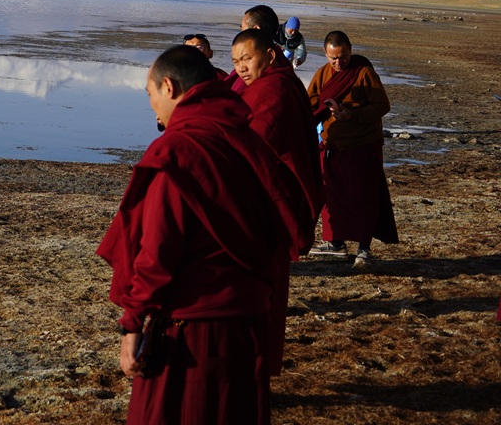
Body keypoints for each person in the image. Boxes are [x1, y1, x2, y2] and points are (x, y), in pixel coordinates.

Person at [97, 46, 294, 424]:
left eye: (150, 94)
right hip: (250, 321)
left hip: (194, 333)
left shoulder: (176, 152)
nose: (152, 106)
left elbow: (157, 251)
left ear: (168, 87)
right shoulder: (247, 141)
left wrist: (132, 323)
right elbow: (286, 214)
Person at [307, 30, 399, 267]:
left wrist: (352, 114)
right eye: (333, 58)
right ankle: (335, 243)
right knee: (333, 196)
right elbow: (310, 103)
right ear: (325, 54)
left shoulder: (363, 72)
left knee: (364, 197)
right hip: (333, 144)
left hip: (362, 143)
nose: (339, 63)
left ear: (350, 50)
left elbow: (382, 105)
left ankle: (364, 249)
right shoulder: (323, 73)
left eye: (343, 57)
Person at [231, 28, 323, 249]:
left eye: (247, 59)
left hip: (273, 188)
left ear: (270, 56)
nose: (241, 68)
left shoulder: (274, 88)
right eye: (235, 62)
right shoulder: (275, 82)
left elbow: (256, 139)